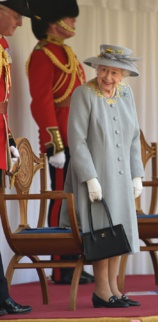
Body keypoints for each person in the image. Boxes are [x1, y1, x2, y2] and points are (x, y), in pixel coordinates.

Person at [60, 44, 144, 308]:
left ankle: (115, 289)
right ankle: (101, 290)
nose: (108, 78)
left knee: (119, 231)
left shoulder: (126, 94)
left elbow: (133, 138)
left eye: (115, 73)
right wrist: (89, 177)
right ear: (96, 68)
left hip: (121, 177)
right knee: (103, 233)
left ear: (124, 75)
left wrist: (137, 175)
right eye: (104, 70)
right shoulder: (83, 94)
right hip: (95, 177)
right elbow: (77, 140)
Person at [26, 0, 93, 285]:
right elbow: (41, 102)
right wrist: (54, 143)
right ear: (54, 20)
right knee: (60, 199)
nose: (74, 22)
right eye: (69, 17)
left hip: (77, 136)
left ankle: (72, 259)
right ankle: (59, 265)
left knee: (77, 203)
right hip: (61, 141)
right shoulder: (43, 54)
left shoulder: (65, 52)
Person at [0, 0, 32, 316]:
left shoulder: (2, 45)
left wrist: (8, 138)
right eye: (16, 15)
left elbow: (3, 101)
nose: (20, 22)